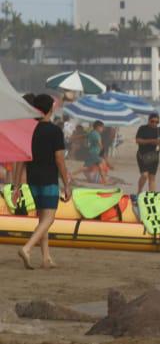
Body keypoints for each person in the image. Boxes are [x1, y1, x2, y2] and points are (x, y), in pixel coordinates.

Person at [18, 94, 73, 269]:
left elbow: (23, 158)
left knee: (42, 219)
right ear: (51, 108)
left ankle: (46, 257)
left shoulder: (29, 130)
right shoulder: (55, 131)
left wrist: (17, 186)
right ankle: (27, 248)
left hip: (33, 179)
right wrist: (67, 184)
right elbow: (59, 160)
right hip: (49, 179)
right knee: (49, 218)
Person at [134, 113, 160, 193]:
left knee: (152, 178)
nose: (154, 123)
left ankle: (152, 196)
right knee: (144, 175)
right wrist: (152, 141)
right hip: (142, 155)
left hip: (154, 156)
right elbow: (138, 140)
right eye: (152, 121)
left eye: (157, 122)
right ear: (148, 120)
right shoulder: (142, 128)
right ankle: (139, 190)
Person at [84, 120, 110, 184]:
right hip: (95, 153)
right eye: (102, 127)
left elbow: (84, 136)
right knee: (86, 167)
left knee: (96, 167)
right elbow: (100, 144)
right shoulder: (97, 134)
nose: (103, 129)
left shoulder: (92, 132)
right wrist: (103, 154)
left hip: (92, 152)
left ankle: (105, 181)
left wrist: (74, 137)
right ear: (98, 127)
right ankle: (71, 174)